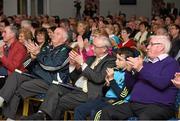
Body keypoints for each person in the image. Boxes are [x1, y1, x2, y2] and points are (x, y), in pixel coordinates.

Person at [24, 35, 116, 120]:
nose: (92, 48)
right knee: (55, 86)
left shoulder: (110, 61)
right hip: (76, 89)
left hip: (89, 94)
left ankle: (42, 116)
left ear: (104, 49)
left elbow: (98, 78)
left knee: (59, 102)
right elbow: (75, 78)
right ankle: (41, 114)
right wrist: (72, 66)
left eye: (95, 46)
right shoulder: (91, 58)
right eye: (93, 44)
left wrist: (82, 63)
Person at [100, 35, 179, 120]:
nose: (147, 47)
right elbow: (130, 85)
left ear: (161, 47)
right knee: (107, 111)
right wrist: (129, 71)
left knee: (145, 117)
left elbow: (162, 84)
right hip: (135, 104)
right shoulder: (145, 64)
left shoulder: (171, 63)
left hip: (159, 106)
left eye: (151, 44)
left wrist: (140, 69)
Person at [0, 27, 71, 120]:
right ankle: (1, 99)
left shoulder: (67, 51)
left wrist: (38, 54)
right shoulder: (47, 48)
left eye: (58, 34)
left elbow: (52, 66)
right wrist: (32, 58)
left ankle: (9, 118)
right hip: (37, 78)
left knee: (17, 89)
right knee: (16, 74)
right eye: (54, 32)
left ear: (64, 39)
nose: (53, 34)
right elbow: (25, 65)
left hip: (51, 82)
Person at [74, 47, 137, 120]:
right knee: (79, 110)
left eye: (119, 60)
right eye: (116, 58)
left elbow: (122, 96)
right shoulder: (115, 70)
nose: (116, 61)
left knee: (96, 113)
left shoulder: (130, 76)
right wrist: (106, 85)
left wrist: (112, 80)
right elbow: (105, 91)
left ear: (128, 62)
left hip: (119, 101)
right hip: (106, 98)